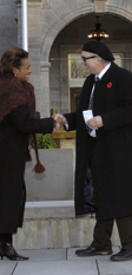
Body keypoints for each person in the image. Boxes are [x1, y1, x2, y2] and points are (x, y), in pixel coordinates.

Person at [56, 41, 132, 261]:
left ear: (98, 58)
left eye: (85, 59)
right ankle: (101, 244)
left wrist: (104, 119)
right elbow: (85, 114)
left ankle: (131, 246)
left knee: (123, 196)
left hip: (120, 150)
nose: (83, 63)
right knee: (101, 196)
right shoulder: (90, 82)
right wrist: (66, 119)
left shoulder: (125, 79)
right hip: (97, 149)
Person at [0, 48, 57, 261]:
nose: (30, 71)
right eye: (27, 67)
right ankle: (5, 245)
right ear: (14, 69)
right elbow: (23, 124)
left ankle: (4, 244)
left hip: (8, 151)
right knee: (10, 198)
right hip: (7, 153)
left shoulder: (8, 87)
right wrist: (52, 123)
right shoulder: (13, 91)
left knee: (9, 196)